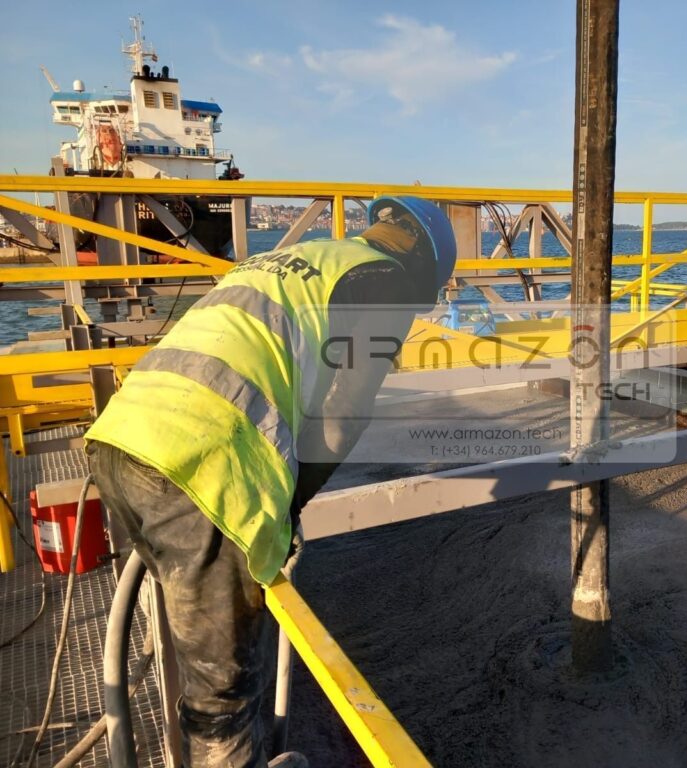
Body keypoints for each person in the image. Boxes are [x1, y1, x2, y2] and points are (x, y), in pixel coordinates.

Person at [85, 196, 457, 767]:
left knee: (200, 641)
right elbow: (343, 415)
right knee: (222, 698)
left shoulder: (297, 257)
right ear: (423, 267)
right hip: (203, 470)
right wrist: (288, 507)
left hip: (121, 439)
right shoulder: (385, 282)